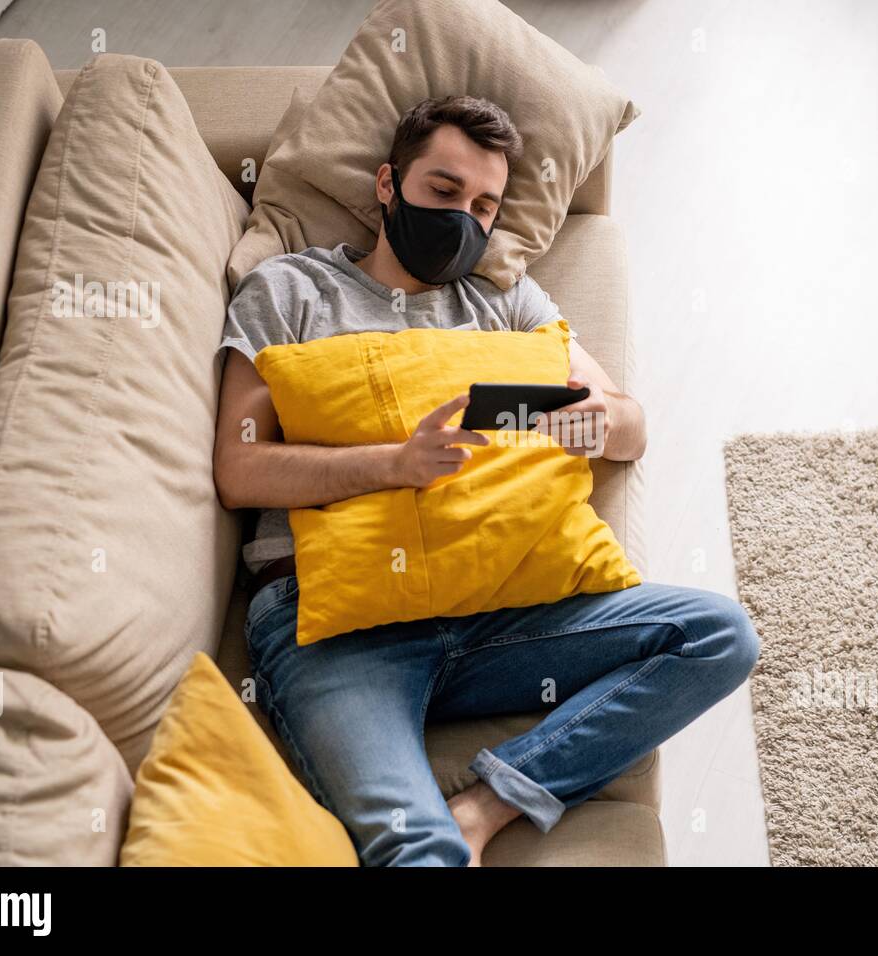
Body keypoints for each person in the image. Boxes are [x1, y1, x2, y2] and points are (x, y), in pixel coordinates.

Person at [212, 94, 761, 866]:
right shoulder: (292, 291)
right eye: (443, 192)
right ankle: (446, 829)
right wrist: (394, 465)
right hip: (335, 627)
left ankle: (490, 801)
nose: (463, 219)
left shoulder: (503, 302)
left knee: (719, 635)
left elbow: (632, 427)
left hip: (493, 611)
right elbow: (239, 468)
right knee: (420, 852)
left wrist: (593, 421)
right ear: (386, 185)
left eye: (483, 206)